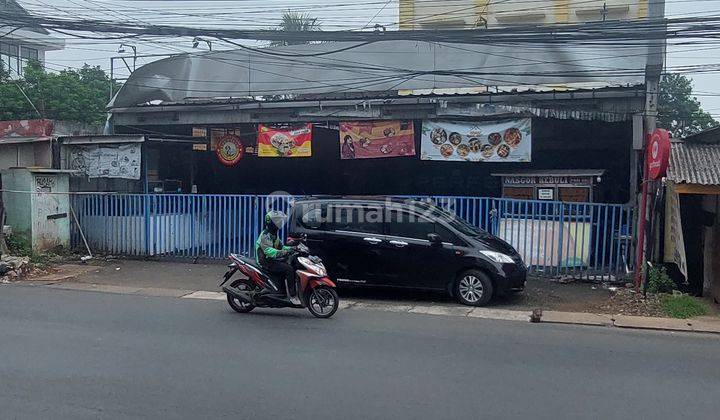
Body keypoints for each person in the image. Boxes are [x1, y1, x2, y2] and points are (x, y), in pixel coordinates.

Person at [255, 210, 300, 305]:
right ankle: (292, 296)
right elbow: (268, 251)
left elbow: (281, 246)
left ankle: (281, 292)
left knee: (288, 265)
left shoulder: (274, 234)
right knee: (288, 269)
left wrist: (293, 248)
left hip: (271, 260)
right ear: (271, 222)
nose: (279, 223)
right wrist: (284, 252)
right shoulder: (266, 235)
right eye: (277, 221)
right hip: (265, 261)